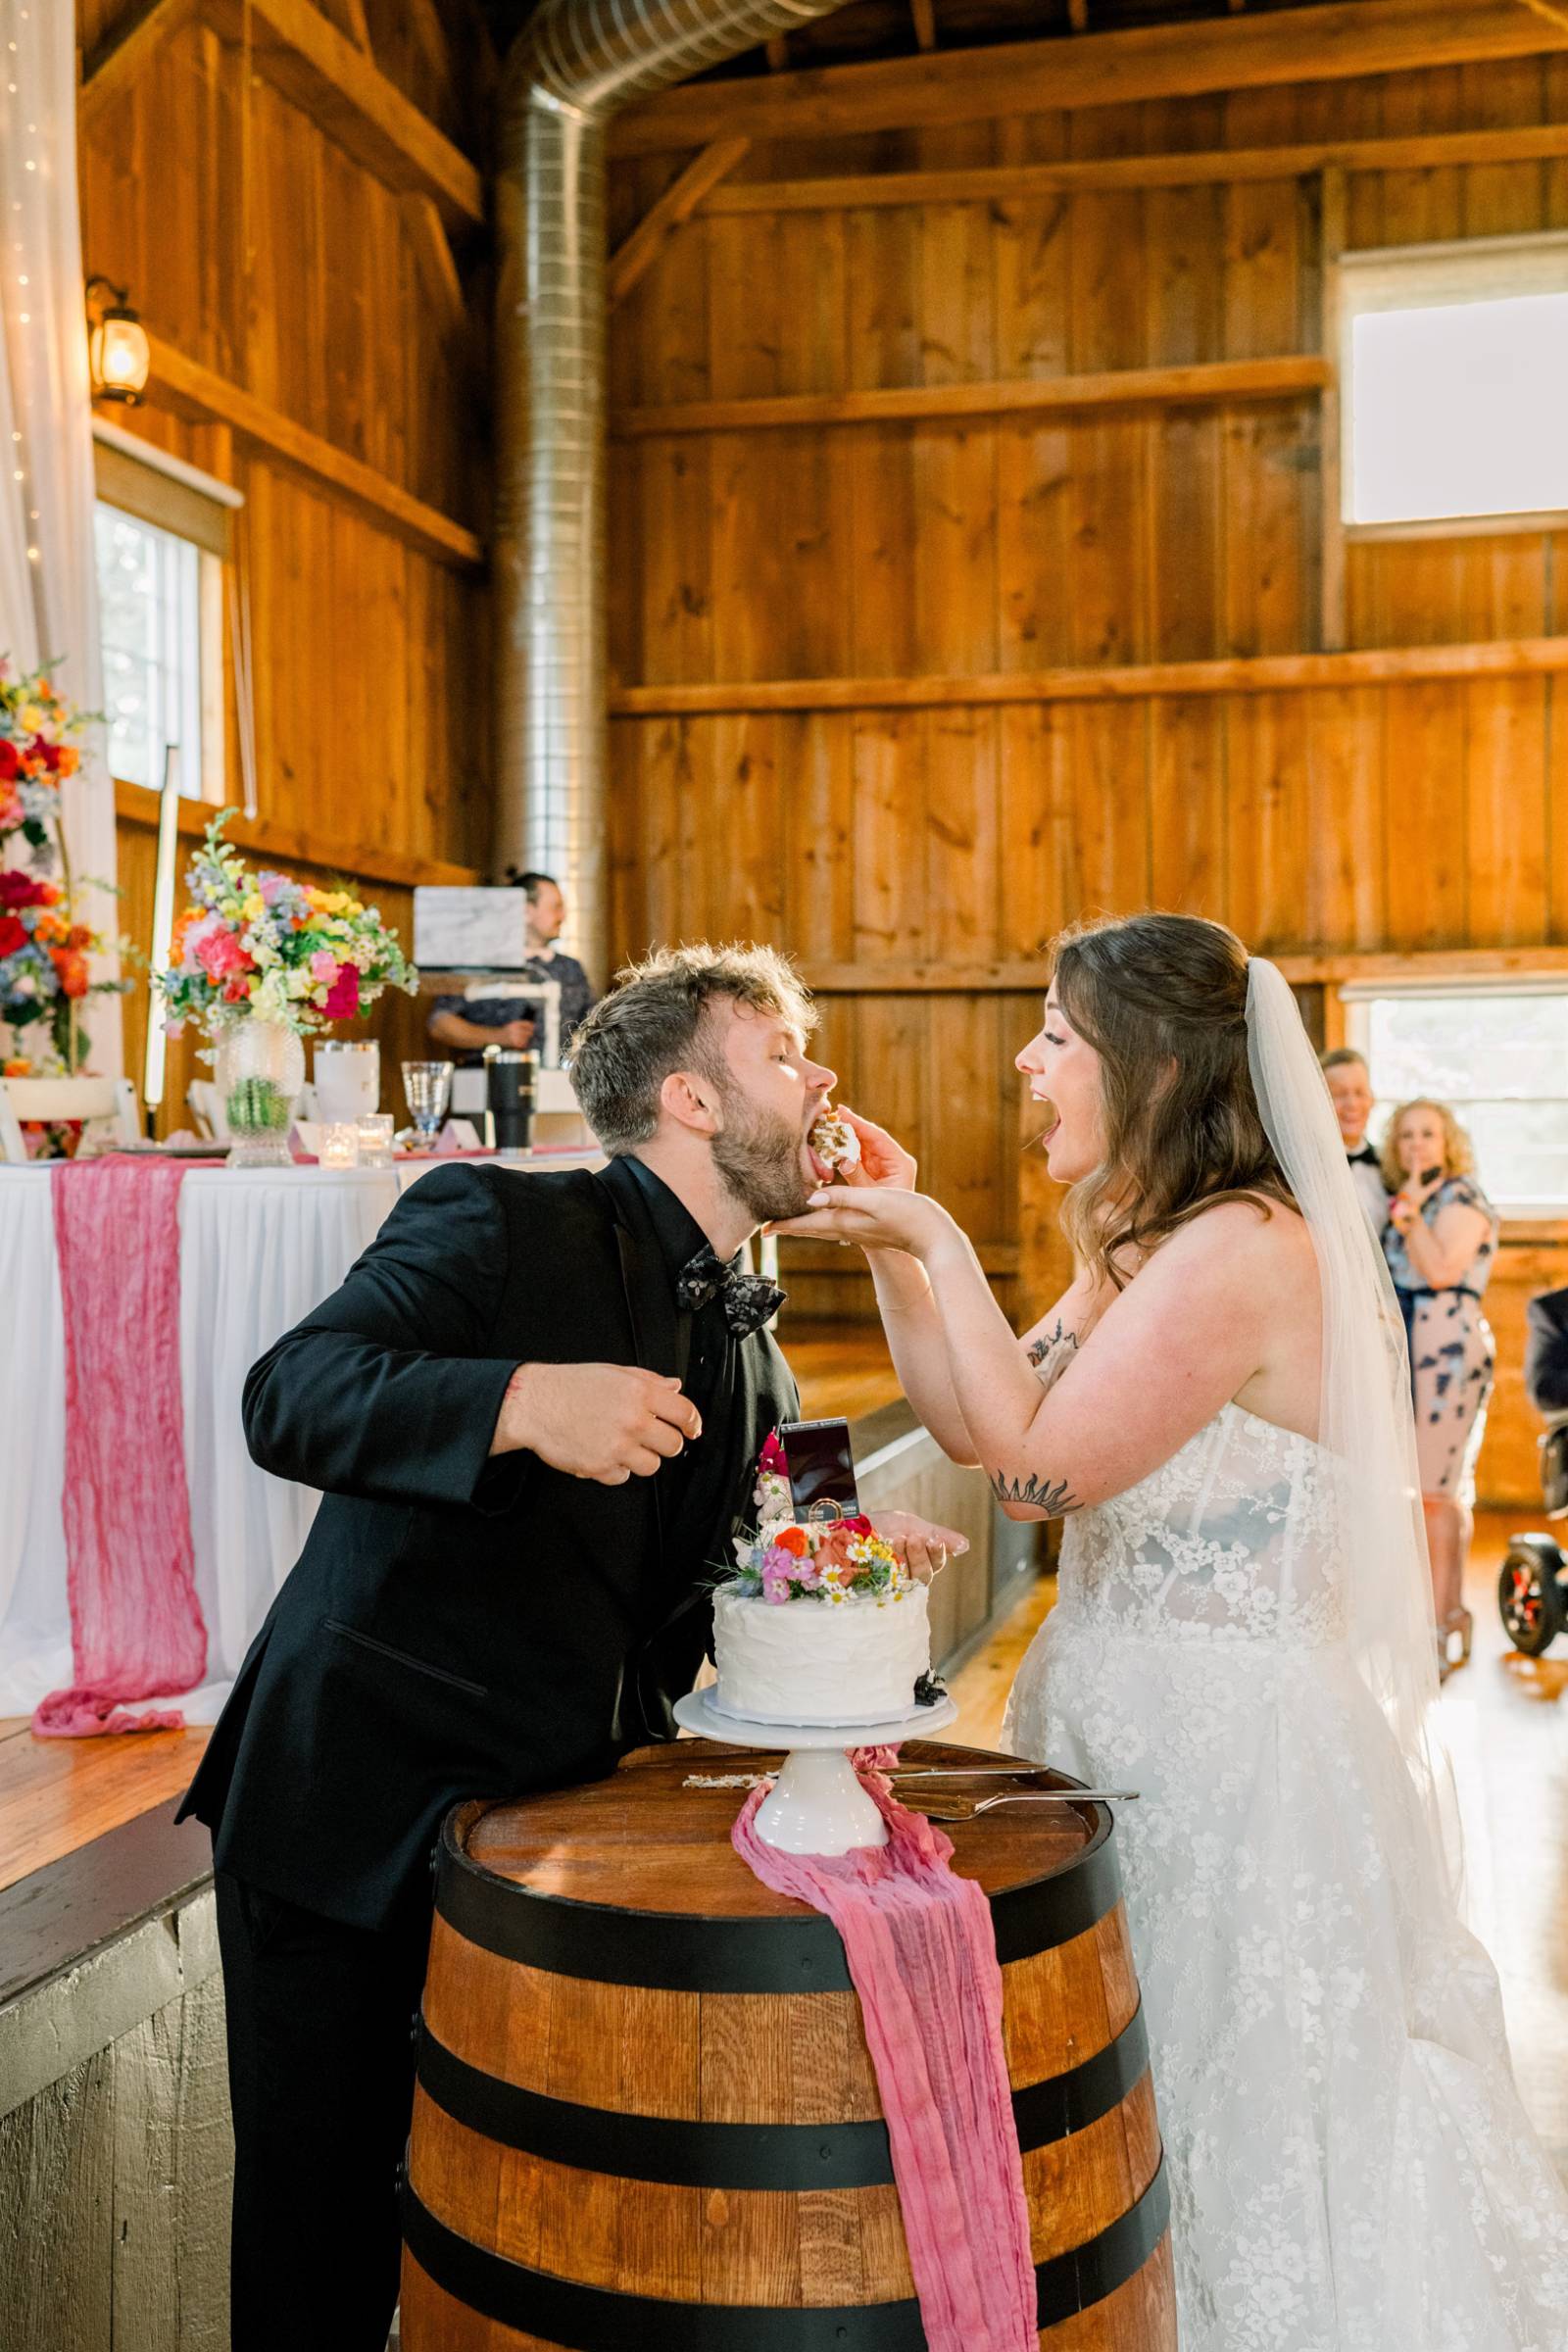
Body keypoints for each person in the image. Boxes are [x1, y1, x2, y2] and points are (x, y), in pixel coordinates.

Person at [772, 911, 1568, 2351]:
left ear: (1147, 1063)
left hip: (1239, 1768)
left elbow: (1037, 1475)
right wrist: (897, 1250)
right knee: (1133, 2097)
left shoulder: (1244, 1249)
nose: (1027, 1062)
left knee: (1236, 2105)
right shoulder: (1141, 1249)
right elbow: (976, 1422)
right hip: (1112, 1724)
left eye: (1056, 1034)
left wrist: (941, 1233)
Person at [179, 938, 963, 2352]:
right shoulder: (492, 1214)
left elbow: (778, 1533)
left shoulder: (763, 1344)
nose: (823, 1078)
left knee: (520, 2235)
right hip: (352, 1815)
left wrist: (855, 1547)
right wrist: (522, 1403)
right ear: (692, 1100)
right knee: (319, 2245)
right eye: (785, 1054)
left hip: (565, 1852)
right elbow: (286, 1393)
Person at [1381, 1098, 1498, 1677]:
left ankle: (1437, 1623)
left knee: (1434, 1492)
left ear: (1448, 1141)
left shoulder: (1460, 1197)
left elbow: (1443, 1270)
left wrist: (1408, 1219)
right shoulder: (1412, 1199)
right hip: (1411, 1345)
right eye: (1406, 1135)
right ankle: (1450, 1616)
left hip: (1447, 1346)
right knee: (1440, 1491)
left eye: (1428, 1134)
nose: (1416, 1145)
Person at [425, 869, 597, 1060]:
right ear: (526, 911)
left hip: (559, 1077)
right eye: (556, 907)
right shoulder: (482, 963)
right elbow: (439, 1024)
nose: (563, 916)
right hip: (485, 1075)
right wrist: (499, 1037)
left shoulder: (571, 968)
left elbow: (594, 1028)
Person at [1321, 1044, 1389, 1230]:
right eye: (1339, 1094)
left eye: (1360, 1092)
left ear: (1372, 1099)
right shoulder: (1303, 1169)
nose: (1352, 1103)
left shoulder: (1390, 1165)